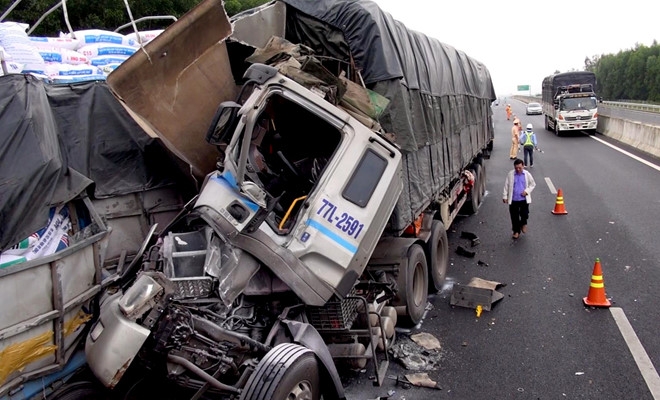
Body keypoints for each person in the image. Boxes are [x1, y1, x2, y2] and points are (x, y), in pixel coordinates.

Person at [502, 158, 536, 239]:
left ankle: (523, 223)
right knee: (514, 216)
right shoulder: (511, 174)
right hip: (514, 200)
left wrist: (527, 191)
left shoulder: (527, 174)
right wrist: (505, 196)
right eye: (516, 168)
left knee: (524, 214)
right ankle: (516, 231)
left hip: (524, 199)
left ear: (523, 166)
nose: (518, 169)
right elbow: (506, 186)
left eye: (520, 168)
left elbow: (533, 184)